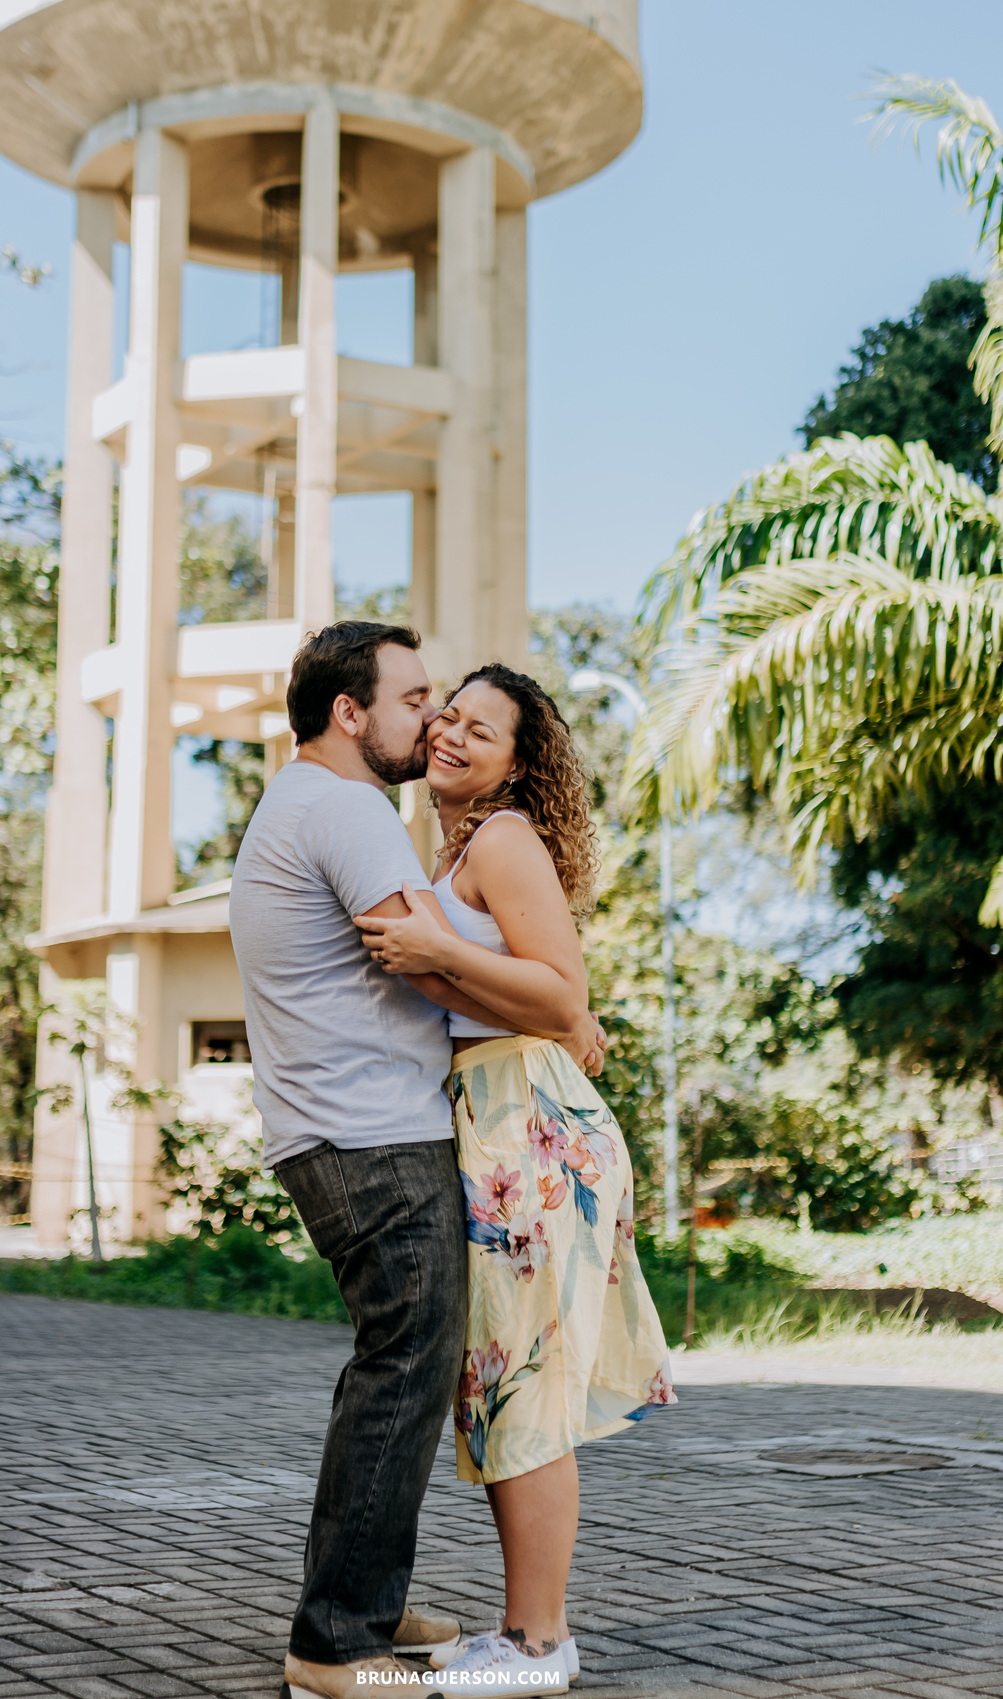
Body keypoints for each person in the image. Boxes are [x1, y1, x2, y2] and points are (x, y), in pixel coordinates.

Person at [228, 623, 606, 1699]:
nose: (434, 722)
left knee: (438, 1371)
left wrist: (548, 1010)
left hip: (414, 1131)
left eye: (466, 718)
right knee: (414, 1371)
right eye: (421, 702)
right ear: (352, 713)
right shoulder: (349, 809)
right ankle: (338, 1640)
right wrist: (544, 1006)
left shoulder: (319, 807)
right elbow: (424, 969)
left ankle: (388, 1608)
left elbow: (456, 967)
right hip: (375, 1138)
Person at [354, 664, 676, 1698]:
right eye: (447, 713)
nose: (449, 733)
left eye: (479, 730)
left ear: (518, 764)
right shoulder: (451, 849)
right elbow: (512, 997)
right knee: (502, 1379)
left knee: (521, 1381)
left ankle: (539, 1644)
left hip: (523, 1123)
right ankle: (527, 1634)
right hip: (491, 1113)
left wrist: (441, 948)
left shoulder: (501, 840)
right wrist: (440, 959)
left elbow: (558, 989)